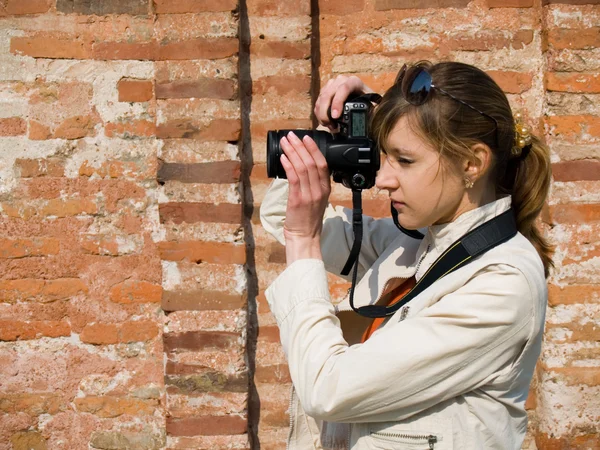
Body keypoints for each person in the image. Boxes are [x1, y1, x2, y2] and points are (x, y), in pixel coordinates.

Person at [259, 60, 553, 450]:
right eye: (385, 156)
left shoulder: (502, 283)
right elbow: (281, 215)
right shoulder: (415, 242)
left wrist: (303, 239)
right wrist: (332, 132)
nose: (383, 178)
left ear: (472, 163)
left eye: (405, 160)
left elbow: (327, 389)